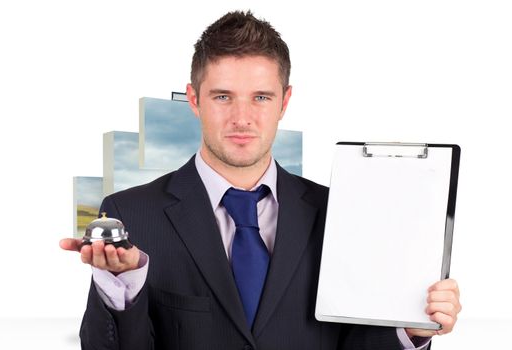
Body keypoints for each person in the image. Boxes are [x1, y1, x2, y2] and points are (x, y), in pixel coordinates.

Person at [60, 10, 461, 350]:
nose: (242, 118)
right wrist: (122, 283)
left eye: (261, 97)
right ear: (194, 100)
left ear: (284, 101)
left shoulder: (337, 214)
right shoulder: (132, 214)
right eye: (222, 96)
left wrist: (408, 328)